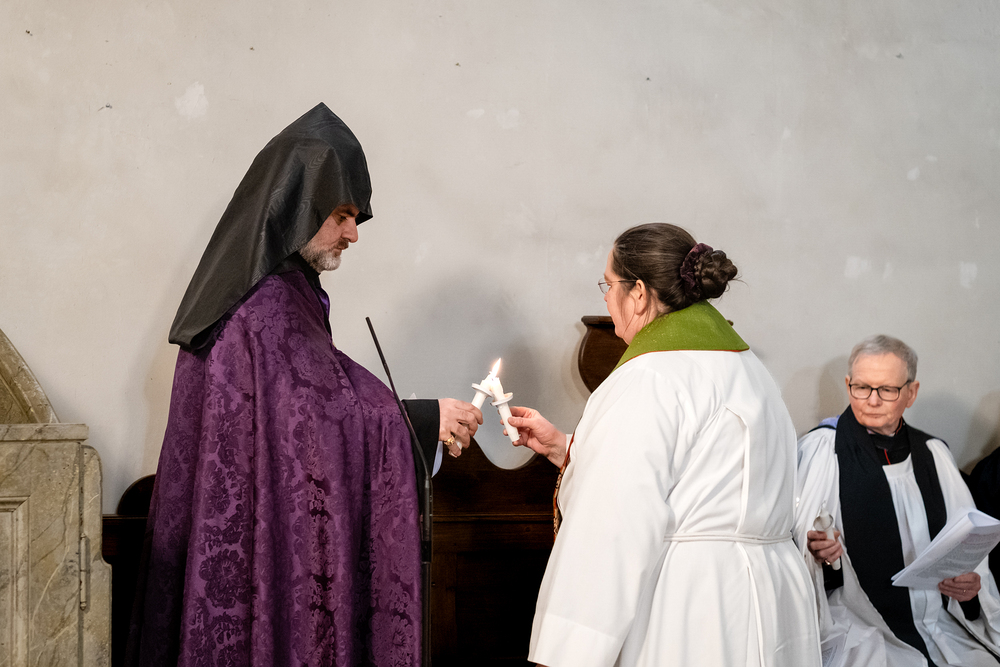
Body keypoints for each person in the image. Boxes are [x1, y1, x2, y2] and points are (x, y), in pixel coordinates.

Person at [125, 104, 482, 667]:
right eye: (342, 215)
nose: (353, 234)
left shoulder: (273, 292)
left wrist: (415, 416)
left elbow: (319, 402)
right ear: (297, 206)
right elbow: (315, 425)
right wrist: (422, 419)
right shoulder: (265, 303)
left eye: (355, 218)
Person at [506, 224, 821, 667]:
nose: (605, 298)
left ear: (638, 292)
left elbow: (613, 527)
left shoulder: (648, 377)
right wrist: (567, 449)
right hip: (769, 596)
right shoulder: (749, 369)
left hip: (693, 607)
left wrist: (568, 653)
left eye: (608, 284)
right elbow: (711, 473)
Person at [794, 335, 1000, 666]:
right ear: (848, 385)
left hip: (939, 621)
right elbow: (795, 551)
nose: (872, 400)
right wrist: (821, 558)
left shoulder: (934, 455)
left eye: (887, 390)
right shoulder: (821, 453)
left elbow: (969, 551)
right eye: (862, 387)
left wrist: (969, 590)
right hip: (857, 624)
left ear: (911, 393)